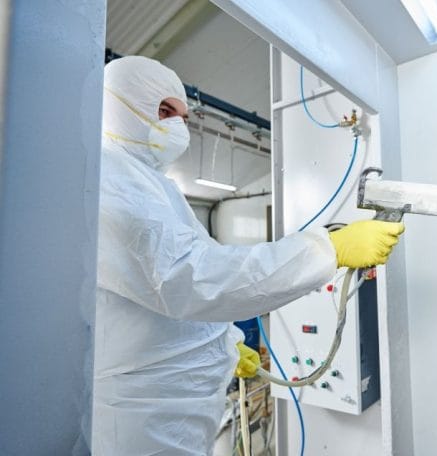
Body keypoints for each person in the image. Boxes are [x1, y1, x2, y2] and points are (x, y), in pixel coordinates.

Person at [92, 56, 403, 455]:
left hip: (173, 408)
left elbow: (183, 278)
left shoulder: (152, 184)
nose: (177, 127)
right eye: (165, 111)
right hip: (139, 417)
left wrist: (226, 343)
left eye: (183, 117)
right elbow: (189, 278)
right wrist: (327, 249)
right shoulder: (110, 178)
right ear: (116, 105)